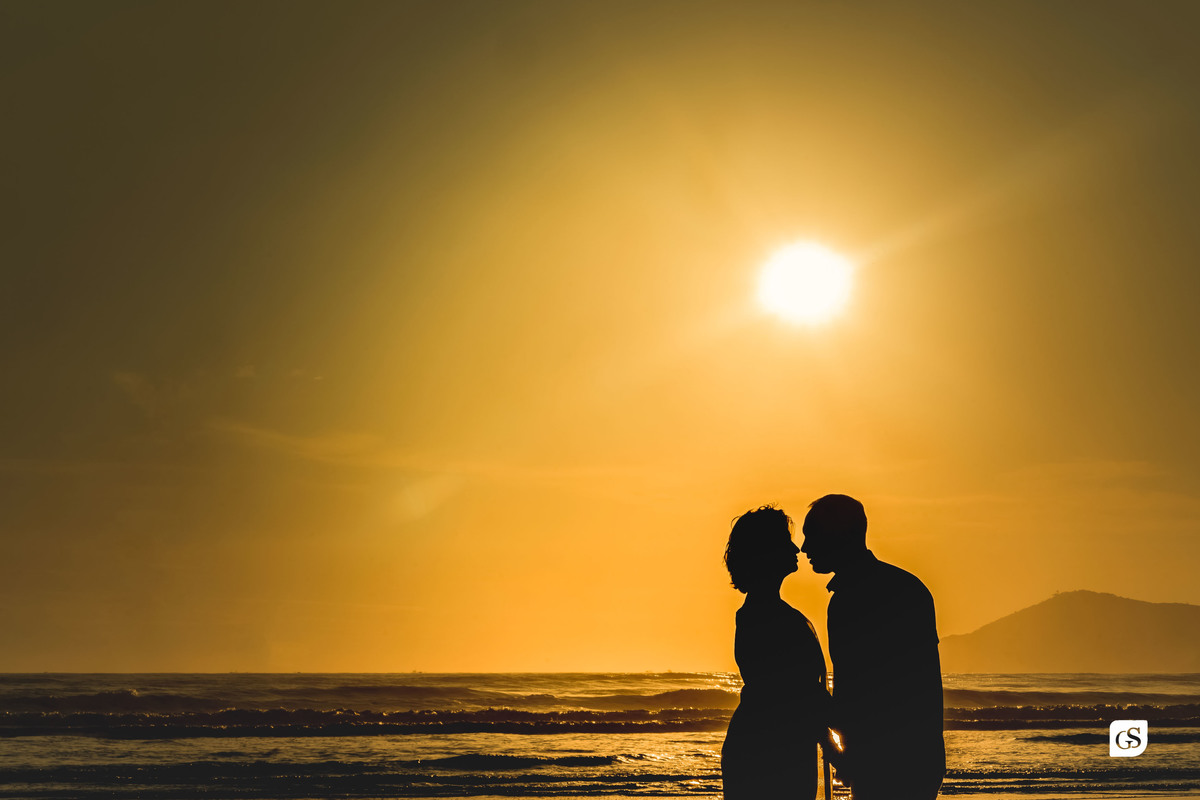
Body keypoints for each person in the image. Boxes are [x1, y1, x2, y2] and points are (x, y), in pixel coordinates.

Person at [800, 494, 945, 800]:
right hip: (918, 757)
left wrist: (814, 707)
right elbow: (925, 686)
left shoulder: (847, 602)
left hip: (884, 760)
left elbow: (859, 689)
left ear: (837, 536)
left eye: (812, 537)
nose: (805, 548)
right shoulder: (910, 588)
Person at [722, 505, 831, 799]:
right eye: (786, 541)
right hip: (772, 750)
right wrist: (835, 747)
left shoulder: (763, 614)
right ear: (766, 551)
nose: (796, 548)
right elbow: (800, 693)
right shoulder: (770, 618)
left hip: (773, 743)